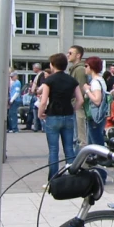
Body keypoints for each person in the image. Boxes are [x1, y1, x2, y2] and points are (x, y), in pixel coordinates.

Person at [38, 53, 83, 182]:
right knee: (69, 148)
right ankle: (72, 175)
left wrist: (40, 113)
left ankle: (53, 178)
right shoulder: (72, 80)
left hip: (53, 115)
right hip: (68, 115)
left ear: (52, 65)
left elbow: (43, 100)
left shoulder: (49, 81)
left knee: (53, 150)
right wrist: (72, 109)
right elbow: (80, 100)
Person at [83, 56, 107, 148]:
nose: (85, 68)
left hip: (95, 115)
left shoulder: (95, 82)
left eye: (86, 66)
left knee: (96, 141)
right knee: (92, 141)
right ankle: (92, 159)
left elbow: (97, 100)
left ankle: (101, 160)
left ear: (91, 67)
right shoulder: (100, 80)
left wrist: (87, 90)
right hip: (100, 114)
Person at [67, 45, 87, 147]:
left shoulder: (79, 69)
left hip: (79, 105)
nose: (68, 55)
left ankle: (82, 158)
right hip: (75, 104)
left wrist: (78, 103)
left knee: (80, 135)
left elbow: (82, 88)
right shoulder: (74, 68)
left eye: (70, 53)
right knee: (77, 134)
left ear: (78, 55)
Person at [27, 63, 45, 131]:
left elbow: (41, 84)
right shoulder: (38, 75)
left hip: (37, 95)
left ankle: (39, 127)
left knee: (36, 110)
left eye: (34, 68)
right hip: (35, 94)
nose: (33, 69)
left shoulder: (41, 75)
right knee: (33, 111)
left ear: (37, 68)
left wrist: (37, 90)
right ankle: (36, 126)